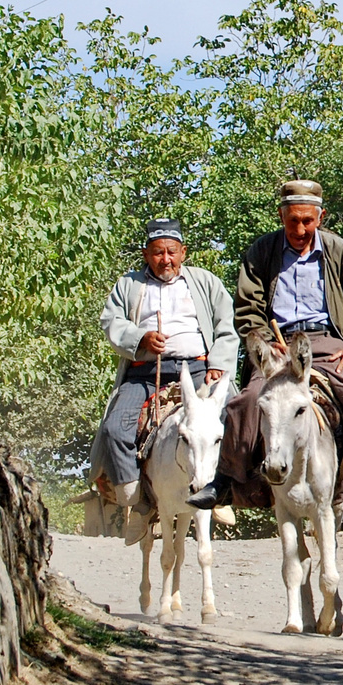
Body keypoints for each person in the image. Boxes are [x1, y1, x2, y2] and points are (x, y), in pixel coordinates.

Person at [190, 180, 343, 542]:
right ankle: (225, 482)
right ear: (281, 217)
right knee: (248, 401)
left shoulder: (340, 252)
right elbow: (248, 310)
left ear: (320, 217)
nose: (299, 230)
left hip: (330, 345)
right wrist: (266, 345)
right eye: (292, 222)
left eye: (307, 222)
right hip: (275, 346)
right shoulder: (261, 252)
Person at [91, 219, 239, 543]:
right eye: (158, 253)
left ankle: (219, 492)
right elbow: (111, 321)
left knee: (235, 414)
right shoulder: (129, 285)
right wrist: (140, 338)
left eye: (172, 251)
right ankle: (138, 504)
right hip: (146, 372)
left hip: (200, 370)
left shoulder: (205, 282)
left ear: (183, 252)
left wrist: (218, 364)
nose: (166, 259)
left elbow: (227, 326)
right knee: (115, 428)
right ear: (146, 254)